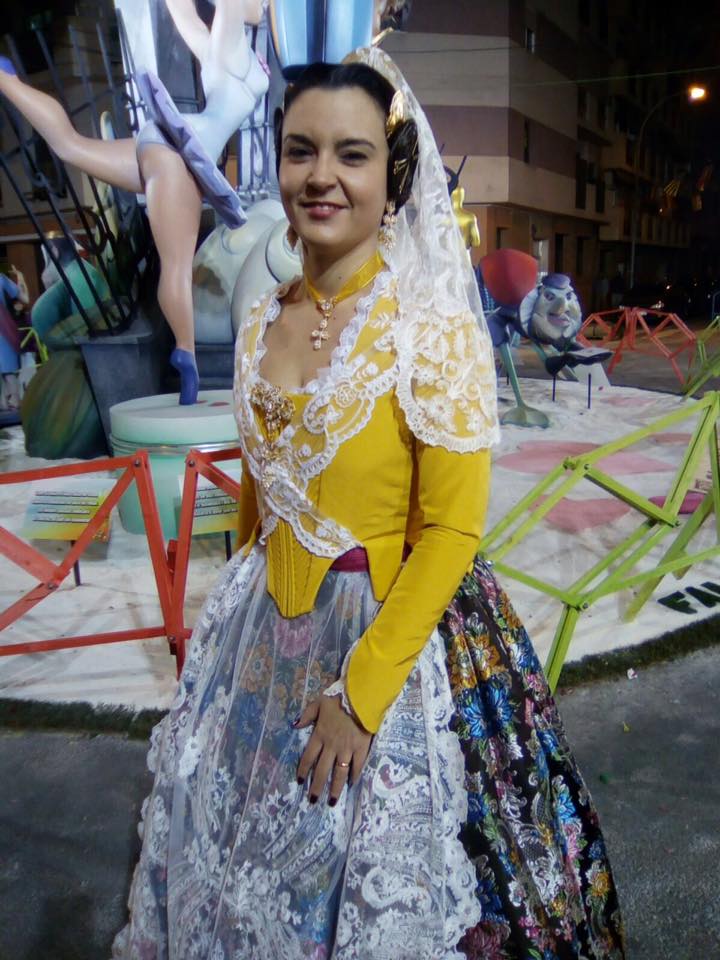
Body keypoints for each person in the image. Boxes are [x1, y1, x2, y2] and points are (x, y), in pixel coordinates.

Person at [112, 50, 625, 959]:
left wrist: (362, 695)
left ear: (392, 177)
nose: (321, 176)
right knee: (246, 871)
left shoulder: (431, 326)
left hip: (392, 639)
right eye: (300, 150)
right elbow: (262, 499)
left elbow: (453, 531)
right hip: (260, 641)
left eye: (351, 155)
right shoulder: (263, 318)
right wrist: (227, 634)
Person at [0, 0, 269, 405]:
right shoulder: (230, 42)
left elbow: (184, 15)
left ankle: (7, 80)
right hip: (182, 154)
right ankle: (187, 359)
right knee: (177, 268)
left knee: (71, 146)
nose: (264, 6)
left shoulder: (216, 46)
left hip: (161, 144)